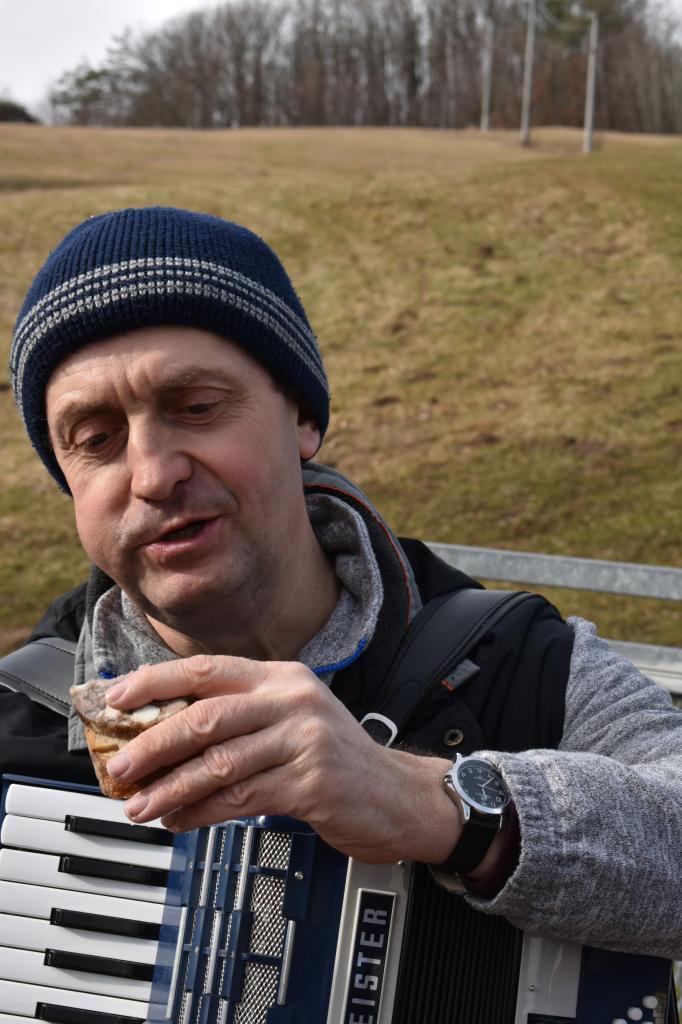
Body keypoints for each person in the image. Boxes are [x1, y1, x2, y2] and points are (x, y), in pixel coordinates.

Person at [4, 206, 682, 965]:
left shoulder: (522, 664)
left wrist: (437, 806)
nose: (154, 474)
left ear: (301, 418)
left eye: (197, 408)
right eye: (96, 440)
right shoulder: (19, 732)